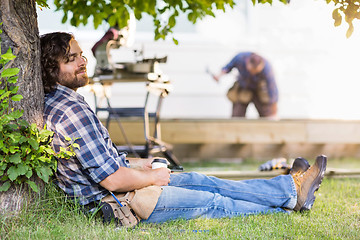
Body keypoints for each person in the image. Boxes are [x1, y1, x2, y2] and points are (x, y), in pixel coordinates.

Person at [41, 32, 327, 225]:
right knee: (213, 202)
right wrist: (152, 177)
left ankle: (291, 189)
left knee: (206, 181)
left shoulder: (63, 102)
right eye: (72, 59)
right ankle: (289, 201)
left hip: (123, 188)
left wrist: (141, 163)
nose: (83, 61)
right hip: (121, 201)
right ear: (52, 69)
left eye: (81, 55)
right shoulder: (71, 111)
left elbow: (102, 162)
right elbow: (113, 181)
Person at [213, 52, 278, 119]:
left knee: (268, 116)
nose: (254, 73)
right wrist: (219, 75)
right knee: (237, 116)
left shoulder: (267, 68)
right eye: (252, 71)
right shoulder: (240, 58)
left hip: (259, 89)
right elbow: (228, 67)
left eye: (257, 72)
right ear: (247, 63)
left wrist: (274, 112)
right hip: (243, 87)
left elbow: (272, 90)